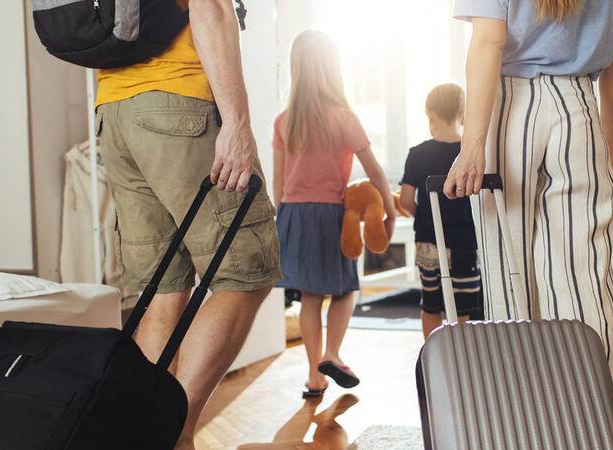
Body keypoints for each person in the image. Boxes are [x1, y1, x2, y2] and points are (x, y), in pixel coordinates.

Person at [445, 0, 613, 446]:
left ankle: (526, 436)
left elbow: (489, 42)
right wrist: (609, 139)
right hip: (580, 111)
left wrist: (472, 145)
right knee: (587, 296)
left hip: (509, 109)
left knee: (511, 296)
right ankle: (609, 439)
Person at [94, 1, 280, 448]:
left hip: (113, 112)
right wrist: (236, 121)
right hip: (179, 103)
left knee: (163, 287)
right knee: (245, 272)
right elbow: (209, 8)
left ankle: (146, 436)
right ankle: (173, 432)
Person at [272, 30, 397, 399]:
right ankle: (333, 353)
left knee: (310, 297)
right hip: (331, 216)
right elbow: (374, 170)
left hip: (294, 215)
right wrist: (389, 208)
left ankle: (315, 377)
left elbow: (278, 183)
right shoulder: (344, 118)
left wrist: (282, 225)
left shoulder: (284, 121)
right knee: (345, 290)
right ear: (332, 69)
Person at [398, 83, 484, 338]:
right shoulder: (469, 155)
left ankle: (433, 352)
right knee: (462, 308)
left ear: (429, 112)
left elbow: (405, 201)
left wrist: (423, 216)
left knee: (431, 304)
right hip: (463, 242)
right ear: (464, 115)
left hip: (429, 241)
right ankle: (460, 353)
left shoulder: (417, 154)